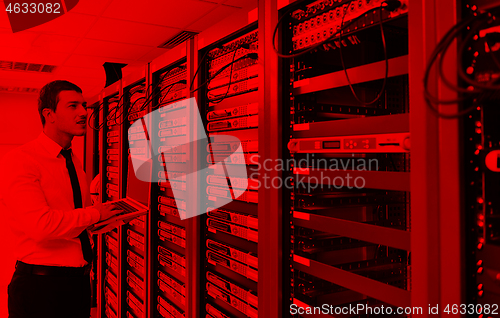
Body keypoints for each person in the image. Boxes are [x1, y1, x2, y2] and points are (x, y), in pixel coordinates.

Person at [0, 80, 121, 318]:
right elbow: (41, 226)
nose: (84, 112)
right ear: (49, 114)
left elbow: (75, 220)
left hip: (76, 283)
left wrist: (111, 216)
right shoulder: (21, 160)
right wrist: (96, 213)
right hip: (40, 288)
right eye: (73, 106)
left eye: (84, 105)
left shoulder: (73, 161)